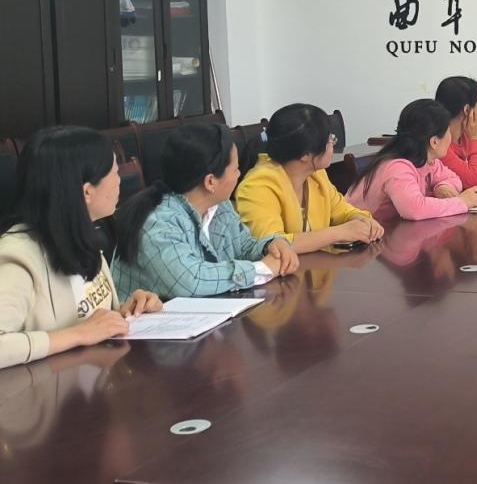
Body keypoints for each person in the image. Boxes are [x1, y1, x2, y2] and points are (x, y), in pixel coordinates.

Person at [0, 127, 162, 370]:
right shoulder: (17, 256)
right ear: (87, 191)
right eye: (115, 173)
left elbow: (90, 317)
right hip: (45, 391)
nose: (120, 181)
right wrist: (78, 334)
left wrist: (125, 312)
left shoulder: (83, 235)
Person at [112, 123, 299, 299]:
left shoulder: (220, 206)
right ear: (210, 182)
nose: (239, 174)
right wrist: (261, 269)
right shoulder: (159, 222)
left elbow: (244, 247)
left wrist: (272, 245)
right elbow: (189, 281)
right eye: (235, 169)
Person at [236, 104, 384, 253]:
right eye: (329, 139)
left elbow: (341, 210)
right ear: (305, 154)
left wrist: (361, 220)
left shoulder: (315, 175)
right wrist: (340, 232)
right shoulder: (257, 187)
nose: (332, 143)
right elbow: (271, 245)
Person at [347, 99, 477, 220]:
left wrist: (442, 186)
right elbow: (415, 209)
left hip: (386, 229)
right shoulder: (397, 167)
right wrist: (462, 202)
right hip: (356, 233)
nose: (450, 137)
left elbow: (454, 179)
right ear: (434, 142)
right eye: (448, 132)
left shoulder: (428, 161)